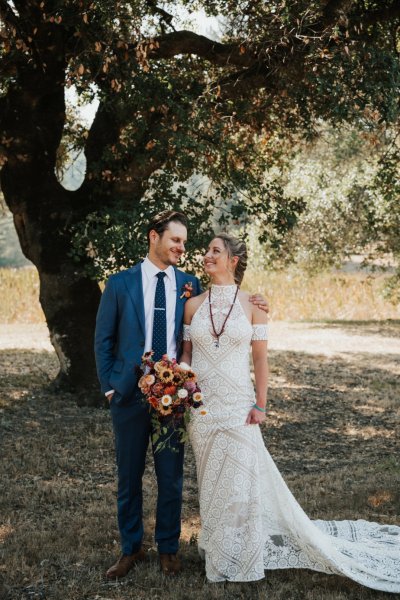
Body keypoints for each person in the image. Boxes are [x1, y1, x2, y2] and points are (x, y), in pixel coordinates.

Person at [181, 233, 400, 591]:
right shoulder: (193, 306)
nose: (206, 255)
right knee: (211, 483)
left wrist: (261, 405)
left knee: (240, 483)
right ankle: (217, 549)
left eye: (214, 251)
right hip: (203, 411)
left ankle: (239, 558)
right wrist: (181, 381)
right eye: (207, 250)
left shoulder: (254, 306)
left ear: (233, 261)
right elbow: (187, 354)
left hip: (239, 405)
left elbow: (261, 358)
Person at [94, 211, 269, 579]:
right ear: (153, 237)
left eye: (185, 243)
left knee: (171, 477)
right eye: (175, 240)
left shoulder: (189, 286)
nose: (181, 248)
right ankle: (131, 549)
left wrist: (259, 301)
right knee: (129, 477)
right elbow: (103, 340)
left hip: (173, 398)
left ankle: (169, 550)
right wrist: (111, 387)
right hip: (128, 395)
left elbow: (227, 302)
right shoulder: (120, 283)